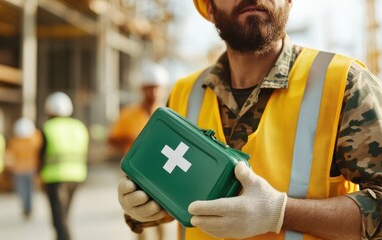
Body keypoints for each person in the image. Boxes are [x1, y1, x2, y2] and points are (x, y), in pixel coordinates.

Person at [117, 0, 382, 239]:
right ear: (209, 8)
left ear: (289, 2)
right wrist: (142, 208)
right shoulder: (184, 92)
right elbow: (168, 188)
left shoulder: (343, 82)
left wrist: (280, 212)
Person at [108, 63, 169, 240]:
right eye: (149, 88)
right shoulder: (129, 114)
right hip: (137, 174)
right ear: (142, 89)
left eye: (156, 88)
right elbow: (111, 139)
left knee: (164, 215)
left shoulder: (170, 114)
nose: (153, 93)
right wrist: (128, 139)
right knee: (141, 218)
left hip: (163, 173)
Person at [39, 92, 89, 240]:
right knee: (65, 216)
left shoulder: (47, 127)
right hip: (77, 176)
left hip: (55, 178)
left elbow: (41, 155)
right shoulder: (79, 127)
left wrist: (39, 176)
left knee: (59, 219)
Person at [7, 117, 42, 219]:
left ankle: (27, 208)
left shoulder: (16, 141)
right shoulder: (35, 138)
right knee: (28, 191)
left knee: (24, 191)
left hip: (22, 169)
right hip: (27, 169)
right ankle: (28, 208)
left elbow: (10, 155)